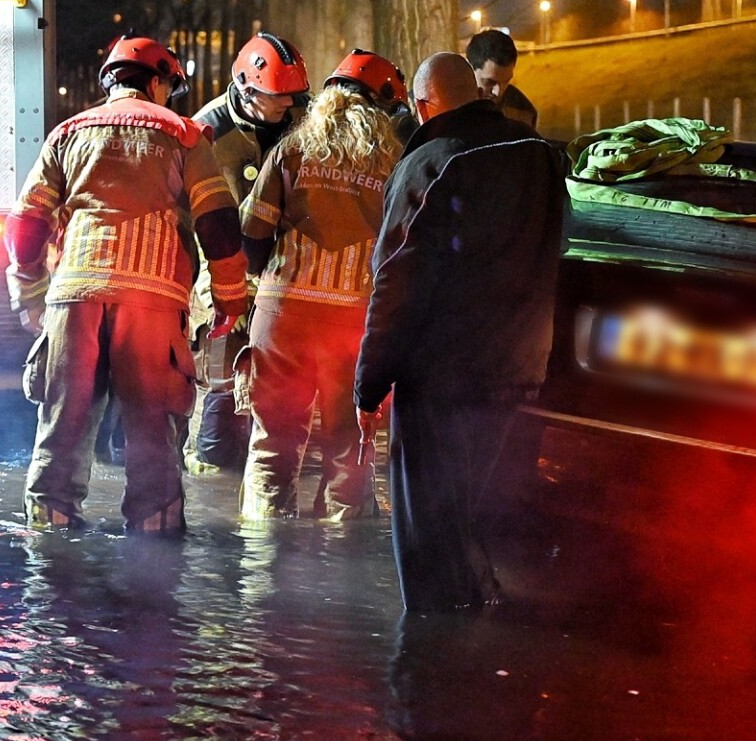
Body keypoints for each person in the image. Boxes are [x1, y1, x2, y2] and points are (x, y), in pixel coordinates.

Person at [6, 35, 248, 534]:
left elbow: (26, 223)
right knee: (153, 434)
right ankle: (153, 548)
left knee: (62, 426)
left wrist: (29, 293)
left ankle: (50, 550)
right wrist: (229, 300)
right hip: (152, 303)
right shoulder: (185, 136)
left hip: (75, 297)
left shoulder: (68, 133)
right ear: (157, 82)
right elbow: (220, 224)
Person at [355, 51, 566, 611]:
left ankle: (434, 665)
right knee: (469, 512)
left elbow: (396, 280)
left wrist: (368, 384)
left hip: (443, 380)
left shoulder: (432, 162)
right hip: (516, 369)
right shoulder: (540, 155)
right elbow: (559, 248)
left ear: (424, 105)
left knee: (427, 536)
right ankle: (480, 645)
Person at [238, 50, 407, 521]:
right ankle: (340, 565)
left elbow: (252, 234)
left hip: (282, 316)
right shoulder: (393, 164)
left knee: (273, 443)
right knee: (348, 450)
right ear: (380, 108)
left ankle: (262, 567)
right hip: (351, 322)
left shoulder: (290, 150)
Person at [186, 32, 311, 474]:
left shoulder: (299, 124)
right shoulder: (207, 133)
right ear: (246, 88)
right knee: (221, 395)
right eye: (278, 97)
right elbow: (198, 222)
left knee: (280, 404)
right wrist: (222, 292)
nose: (287, 105)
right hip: (221, 274)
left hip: (281, 279)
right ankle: (211, 479)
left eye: (292, 96)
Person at [464, 27, 539, 130]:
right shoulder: (445, 105)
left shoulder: (522, 111)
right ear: (468, 69)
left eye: (506, 81)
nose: (498, 92)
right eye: (489, 82)